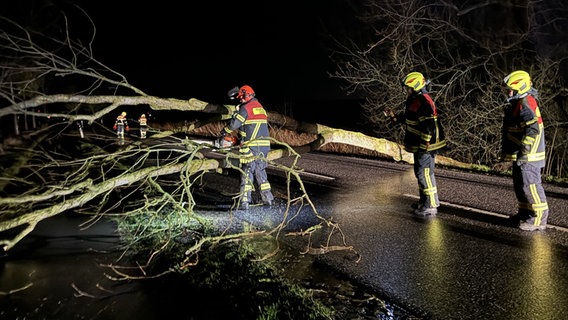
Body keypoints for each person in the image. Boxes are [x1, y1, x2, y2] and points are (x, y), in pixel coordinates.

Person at [385, 72, 446, 216]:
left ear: (416, 86)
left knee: (424, 173)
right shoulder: (414, 99)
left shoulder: (424, 101)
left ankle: (431, 205)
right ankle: (424, 202)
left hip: (426, 144)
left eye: (409, 87)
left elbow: (429, 124)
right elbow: (409, 118)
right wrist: (394, 117)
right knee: (419, 173)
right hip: (419, 143)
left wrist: (425, 141)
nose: (407, 90)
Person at [502, 70, 549, 231]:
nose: (508, 93)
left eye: (511, 90)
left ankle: (538, 219)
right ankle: (525, 213)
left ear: (520, 88)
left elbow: (533, 129)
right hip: (522, 154)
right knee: (520, 185)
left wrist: (525, 147)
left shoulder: (525, 103)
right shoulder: (520, 102)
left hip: (529, 155)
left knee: (531, 185)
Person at [220, 85, 274, 210]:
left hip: (251, 147)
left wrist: (224, 131)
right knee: (260, 171)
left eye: (241, 98)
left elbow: (234, 124)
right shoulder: (260, 107)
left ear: (247, 95)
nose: (240, 100)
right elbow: (252, 127)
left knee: (247, 172)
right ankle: (268, 199)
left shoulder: (246, 108)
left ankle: (244, 202)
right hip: (264, 146)